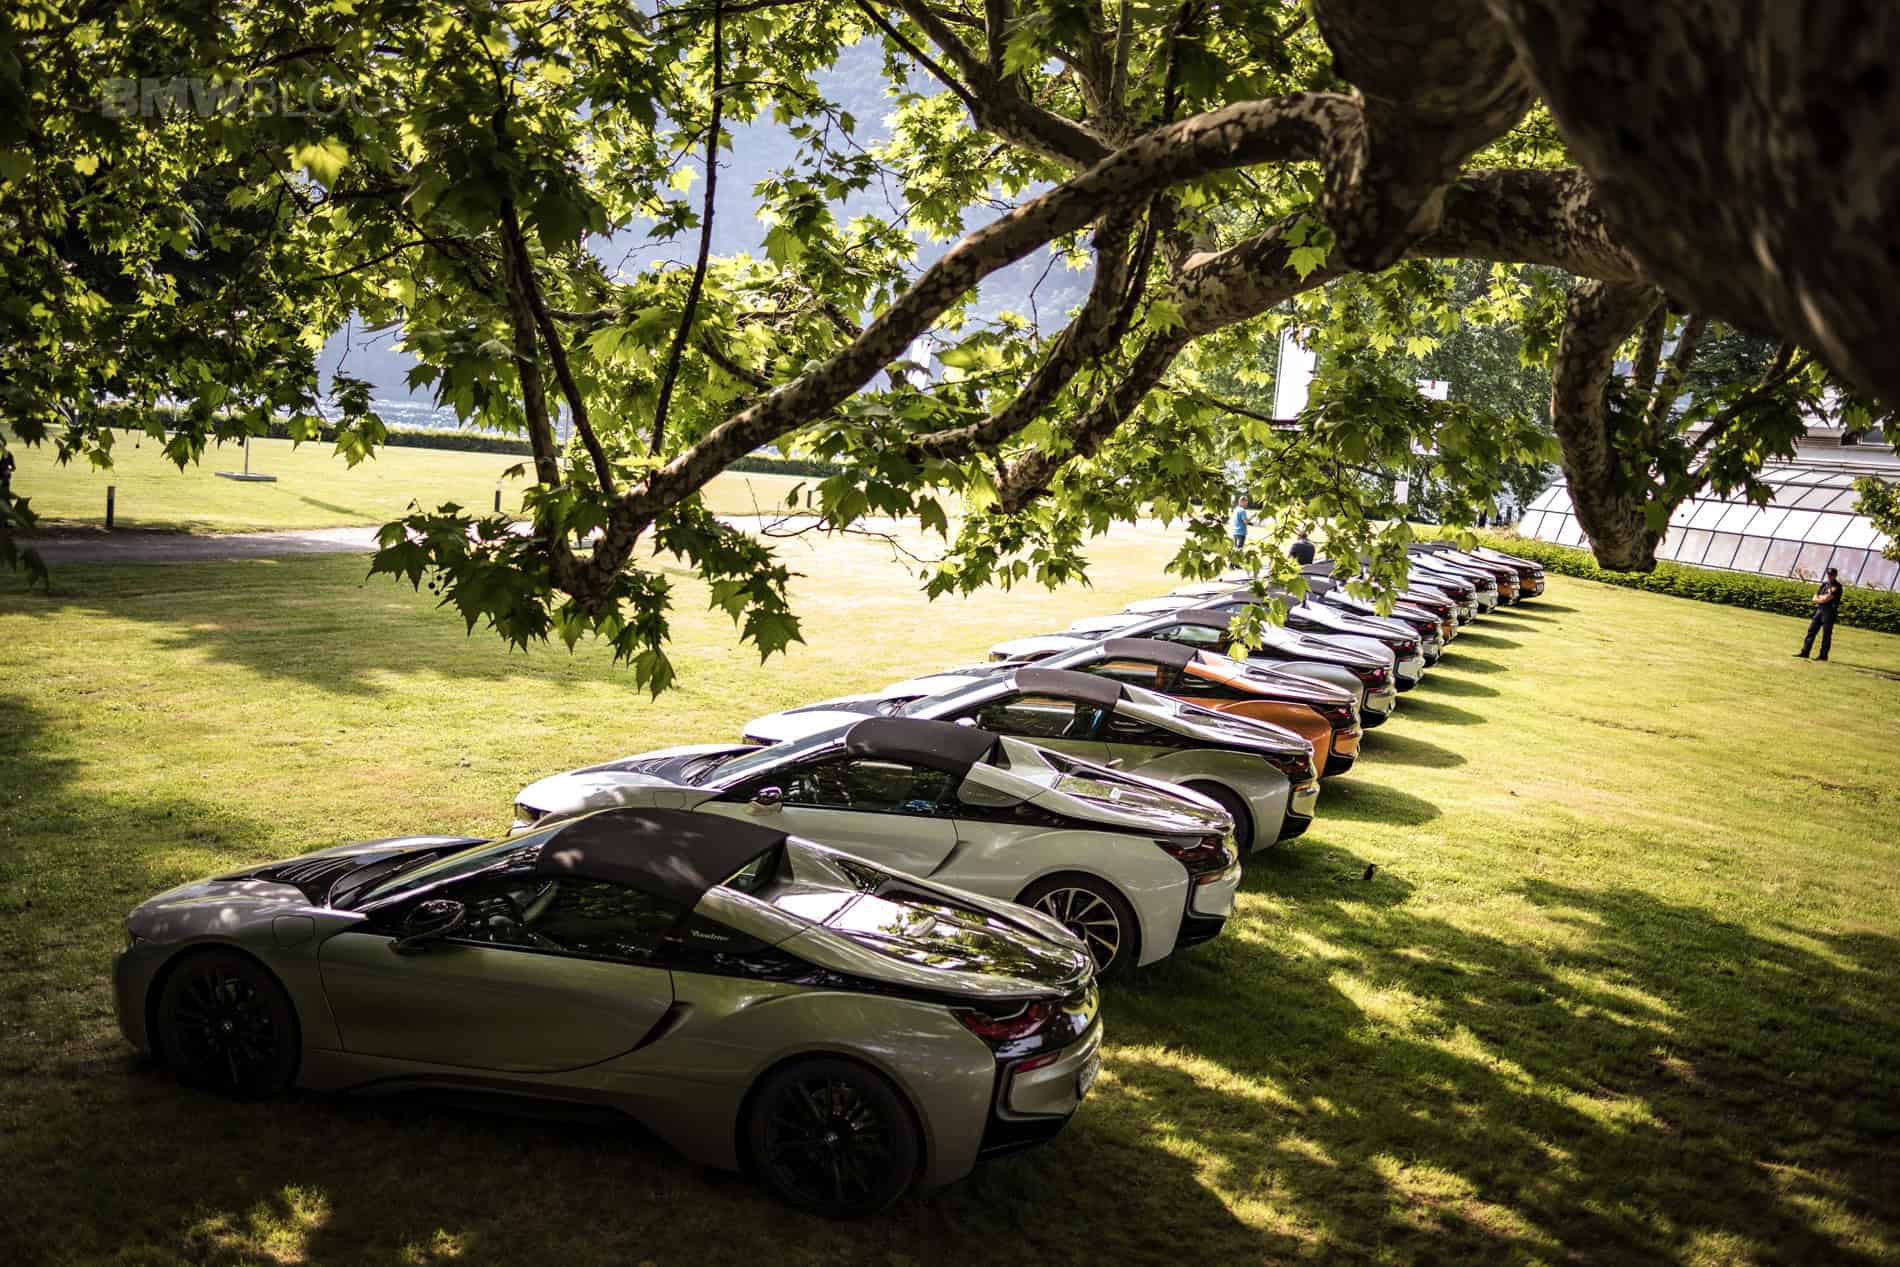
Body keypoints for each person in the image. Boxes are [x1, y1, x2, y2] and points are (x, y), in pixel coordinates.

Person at [1794, 567, 1843, 661]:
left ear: (1835, 575)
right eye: (1828, 574)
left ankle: (1823, 655)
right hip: (1819, 610)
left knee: (1826, 634)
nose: (1829, 576)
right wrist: (1821, 598)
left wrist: (1820, 598)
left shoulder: (1837, 586)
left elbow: (1827, 598)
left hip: (1829, 612)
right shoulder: (1824, 584)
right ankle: (1805, 652)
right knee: (1811, 631)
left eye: (1831, 574)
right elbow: (1814, 597)